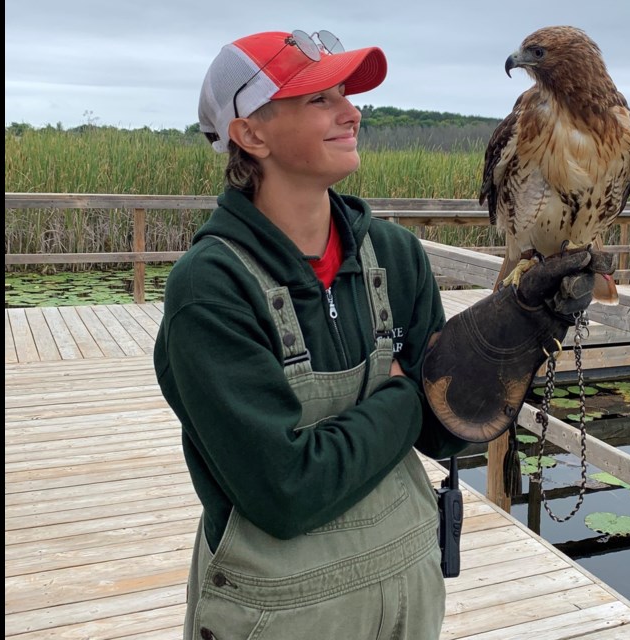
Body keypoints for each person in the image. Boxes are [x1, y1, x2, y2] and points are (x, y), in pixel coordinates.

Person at [154, 27, 602, 640]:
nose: (351, 111)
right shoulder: (210, 287)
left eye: (345, 93)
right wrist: (400, 396)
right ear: (251, 133)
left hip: (408, 590)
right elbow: (285, 492)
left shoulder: (393, 255)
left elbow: (441, 434)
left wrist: (518, 328)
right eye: (319, 100)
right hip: (277, 613)